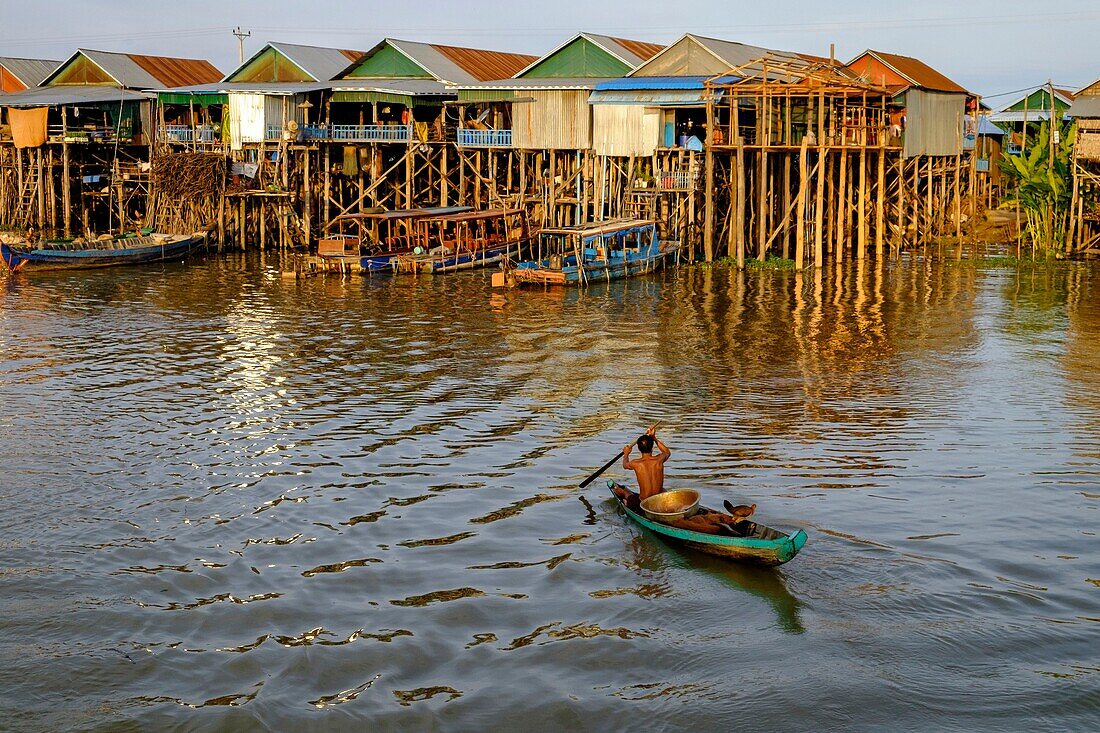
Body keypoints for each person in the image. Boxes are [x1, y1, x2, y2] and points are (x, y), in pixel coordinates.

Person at [622, 426, 671, 501]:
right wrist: (654, 438)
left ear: (639, 449)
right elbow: (667, 452)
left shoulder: (636, 463)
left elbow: (625, 465)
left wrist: (626, 453)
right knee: (663, 490)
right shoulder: (659, 460)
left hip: (644, 503)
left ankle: (626, 502)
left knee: (620, 490)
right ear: (652, 447)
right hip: (659, 500)